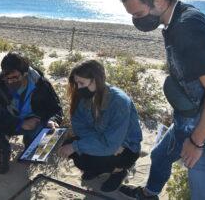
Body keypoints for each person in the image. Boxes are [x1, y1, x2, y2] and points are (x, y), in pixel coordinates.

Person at [118, 0, 205, 200]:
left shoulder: (188, 29)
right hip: (188, 120)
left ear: (159, 1)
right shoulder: (177, 21)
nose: (136, 20)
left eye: (138, 13)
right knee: (160, 155)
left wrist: (196, 142)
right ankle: (150, 194)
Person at [57, 60, 142, 192]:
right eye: (76, 83)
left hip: (126, 147)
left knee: (81, 150)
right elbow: (79, 125)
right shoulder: (85, 95)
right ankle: (96, 168)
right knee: (75, 153)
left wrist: (78, 146)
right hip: (109, 142)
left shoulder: (119, 101)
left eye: (82, 83)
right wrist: (96, 142)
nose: (78, 88)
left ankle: (118, 172)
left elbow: (110, 145)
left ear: (96, 80)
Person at [0, 52, 63, 174]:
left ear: (25, 74)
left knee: (46, 129)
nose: (10, 81)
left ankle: (29, 148)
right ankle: (4, 149)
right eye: (7, 77)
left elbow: (55, 108)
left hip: (32, 123)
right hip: (8, 122)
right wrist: (19, 123)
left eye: (15, 77)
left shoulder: (40, 84)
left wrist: (52, 120)